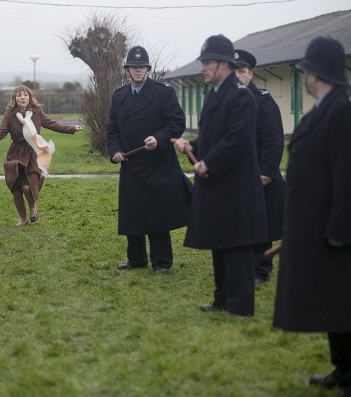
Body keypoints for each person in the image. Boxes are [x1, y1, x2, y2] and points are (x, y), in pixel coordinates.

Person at [273, 36, 351, 397]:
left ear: (314, 74)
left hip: (334, 229)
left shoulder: (341, 111)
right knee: (335, 301)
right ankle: (344, 369)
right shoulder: (324, 107)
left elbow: (346, 173)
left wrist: (340, 227)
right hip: (314, 223)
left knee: (343, 300)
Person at [172, 35, 266, 317]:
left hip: (235, 185)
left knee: (236, 246)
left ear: (224, 64)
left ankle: (240, 305)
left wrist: (208, 163)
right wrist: (193, 146)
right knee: (220, 242)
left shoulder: (240, 95)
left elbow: (237, 140)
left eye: (207, 62)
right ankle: (222, 298)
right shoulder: (215, 93)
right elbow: (214, 136)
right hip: (218, 184)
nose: (202, 68)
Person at [107, 46, 192, 272]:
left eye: (142, 67)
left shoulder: (163, 92)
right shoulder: (119, 96)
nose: (138, 71)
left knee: (157, 213)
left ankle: (162, 262)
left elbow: (176, 123)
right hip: (130, 164)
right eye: (133, 67)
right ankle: (136, 259)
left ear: (148, 69)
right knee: (132, 212)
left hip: (158, 163)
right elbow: (112, 129)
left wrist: (159, 138)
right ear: (126, 70)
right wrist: (115, 151)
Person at [0, 85, 82, 225]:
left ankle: (33, 206)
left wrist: (72, 128)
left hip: (33, 153)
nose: (22, 98)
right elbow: (1, 131)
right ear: (15, 98)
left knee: (27, 187)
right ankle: (23, 218)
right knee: (16, 189)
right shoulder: (10, 114)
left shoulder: (37, 112)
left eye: (25, 95)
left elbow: (53, 124)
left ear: (29, 97)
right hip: (15, 155)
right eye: (19, 95)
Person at [234, 49, 285, 284]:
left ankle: (261, 270)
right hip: (237, 175)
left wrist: (266, 171)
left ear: (250, 74)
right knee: (242, 221)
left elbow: (274, 139)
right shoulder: (231, 102)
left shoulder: (263, 101)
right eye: (233, 71)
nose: (237, 76)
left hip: (260, 175)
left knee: (262, 224)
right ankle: (244, 266)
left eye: (242, 71)